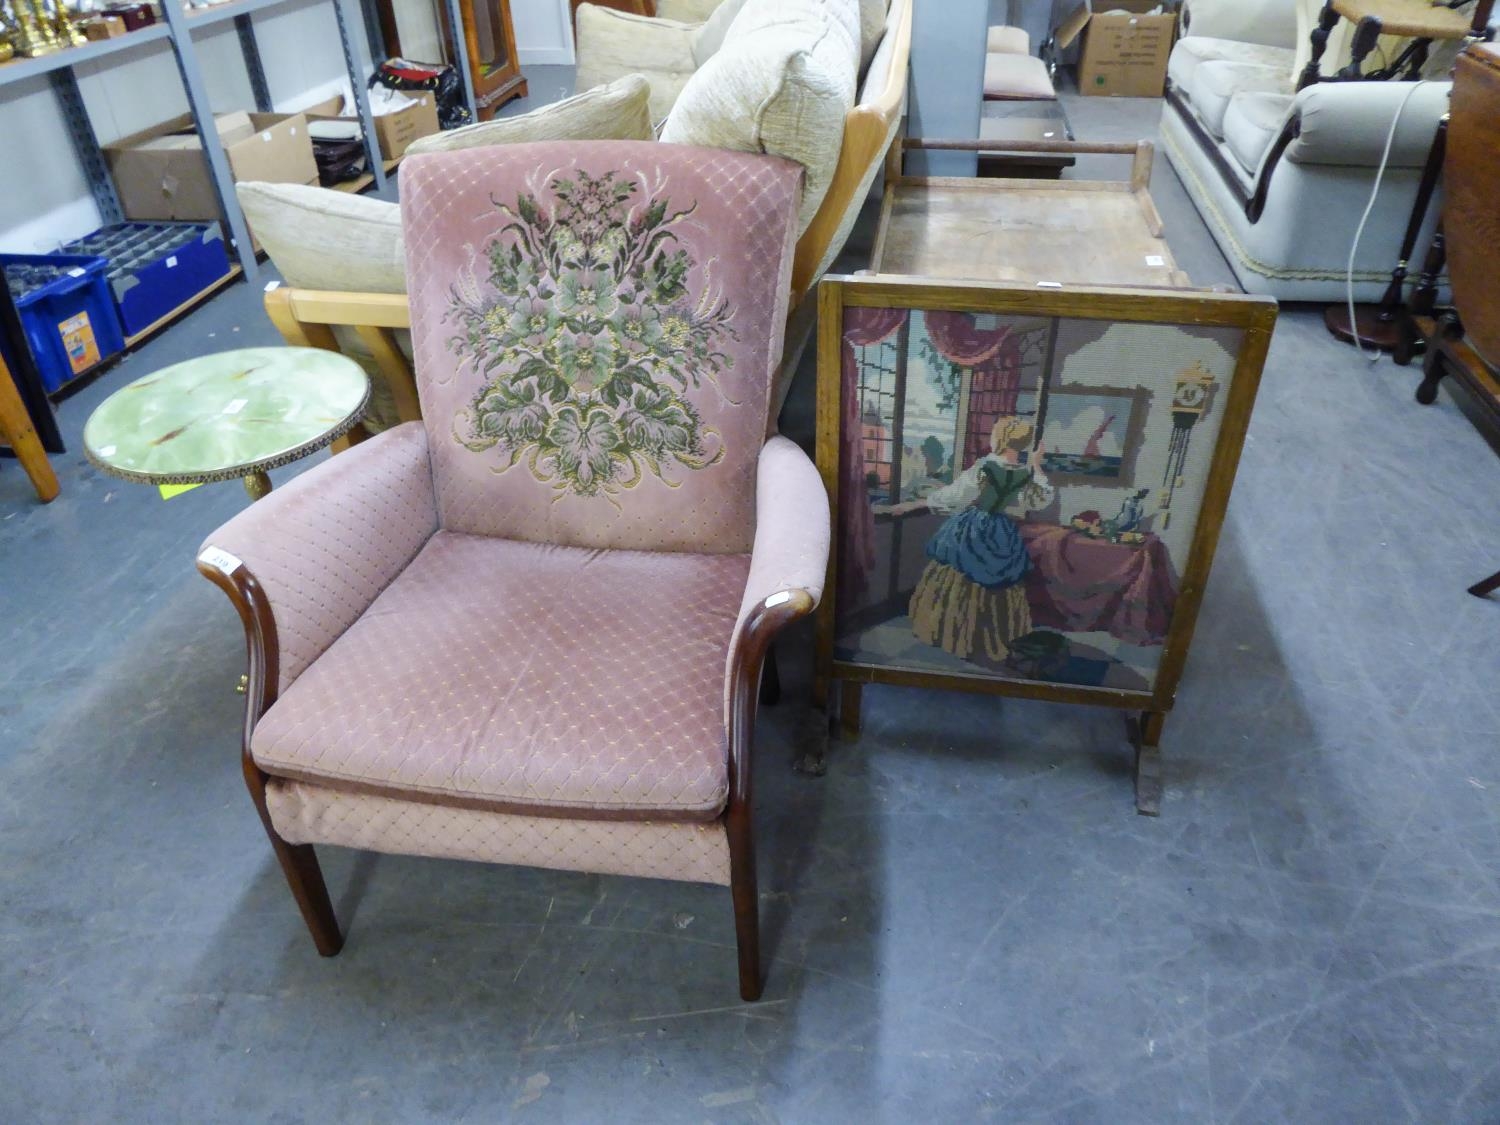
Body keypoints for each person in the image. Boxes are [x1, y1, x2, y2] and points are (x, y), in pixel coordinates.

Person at [883, 415, 1055, 662]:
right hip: (1001, 529)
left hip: (975, 526)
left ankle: (956, 636)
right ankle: (988, 639)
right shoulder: (1024, 473)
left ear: (1002, 438)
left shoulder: (986, 466)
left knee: (960, 579)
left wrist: (915, 504)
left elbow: (954, 497)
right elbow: (1039, 500)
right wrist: (1037, 465)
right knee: (996, 586)